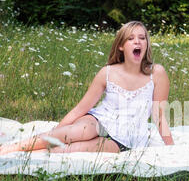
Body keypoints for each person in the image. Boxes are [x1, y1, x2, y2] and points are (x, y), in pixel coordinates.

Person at [0, 21, 174, 155]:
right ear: (121, 46)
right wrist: (57, 131)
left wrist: (172, 149)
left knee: (65, 151)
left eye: (142, 38)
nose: (137, 42)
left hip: (127, 138)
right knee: (78, 132)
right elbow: (80, 109)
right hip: (99, 121)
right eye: (131, 38)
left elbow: (159, 117)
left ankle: (33, 153)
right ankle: (12, 148)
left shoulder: (156, 73)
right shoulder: (107, 72)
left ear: (146, 44)